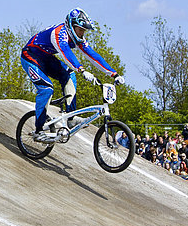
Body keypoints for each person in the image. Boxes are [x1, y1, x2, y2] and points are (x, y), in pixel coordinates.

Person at [20, 8, 124, 141]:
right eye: (80, 30)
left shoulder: (78, 38)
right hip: (30, 56)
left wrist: (114, 74)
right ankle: (39, 129)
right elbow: (66, 54)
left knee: (69, 75)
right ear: (71, 26)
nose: (82, 33)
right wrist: (82, 69)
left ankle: (70, 117)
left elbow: (93, 55)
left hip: (47, 58)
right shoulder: (59, 33)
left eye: (84, 31)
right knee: (46, 89)